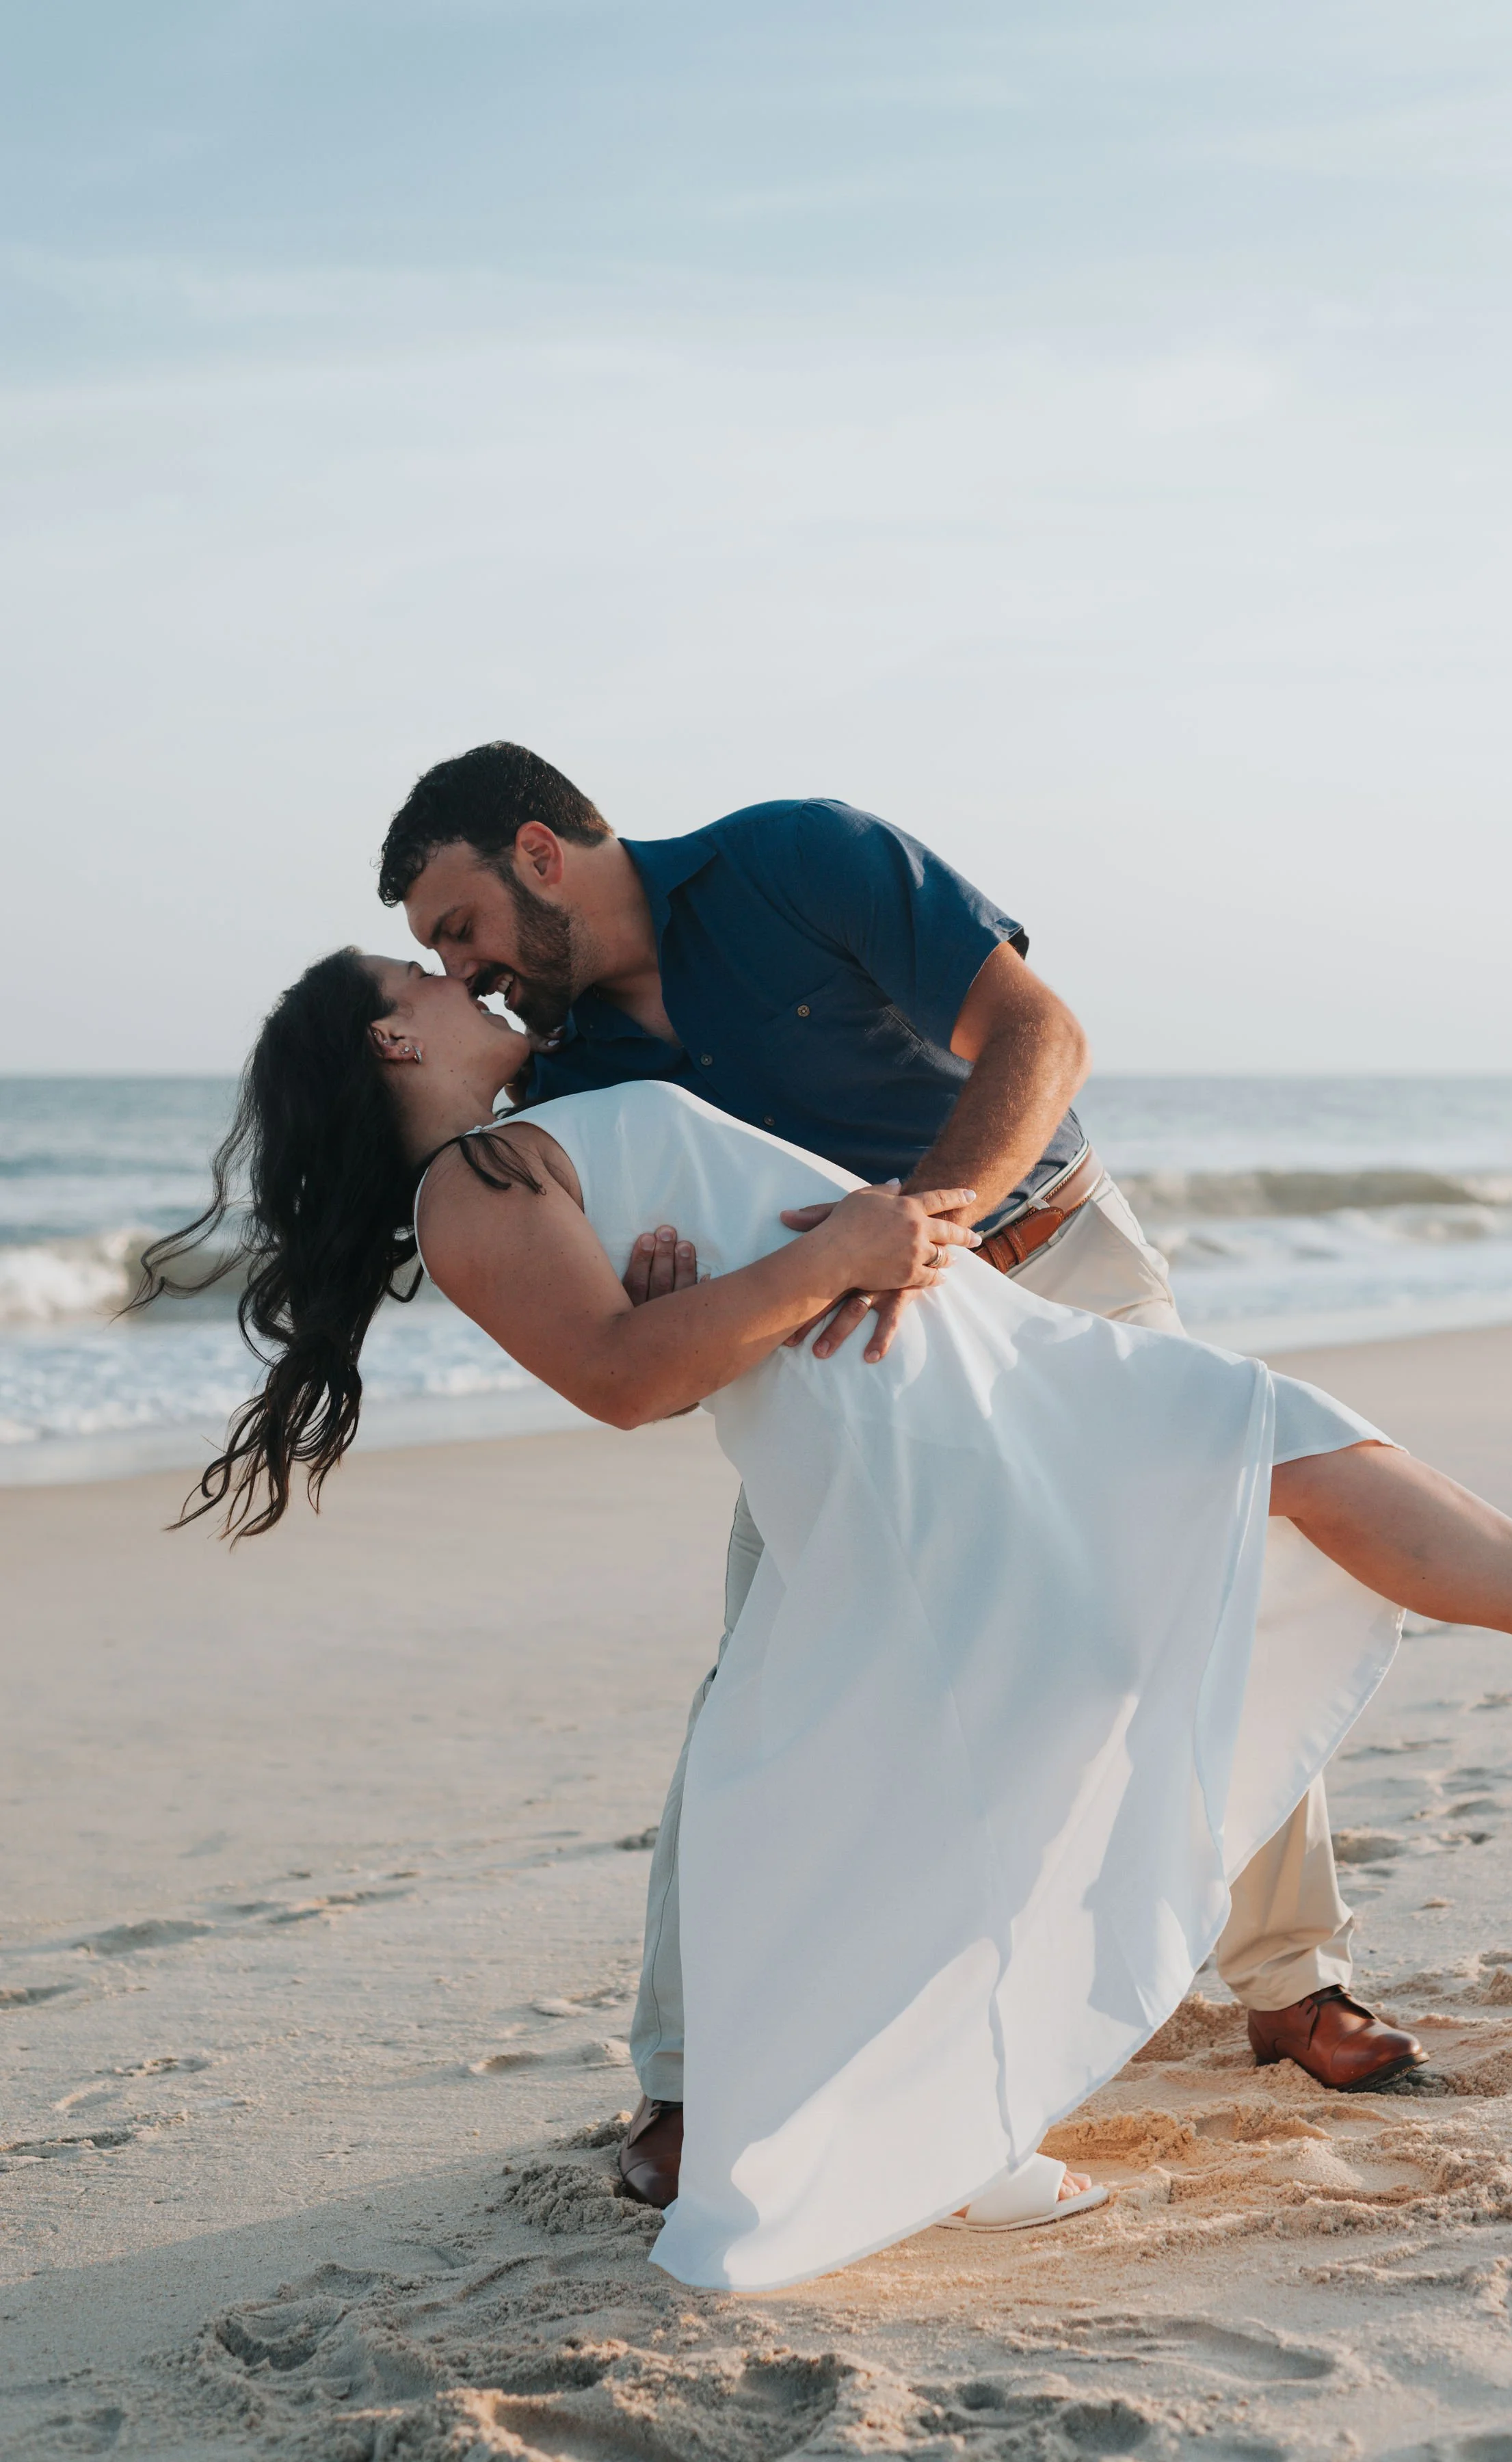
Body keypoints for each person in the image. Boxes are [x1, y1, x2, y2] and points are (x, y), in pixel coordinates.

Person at [140, 947, 1512, 2291]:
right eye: (424, 981)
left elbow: (660, 1329)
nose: (460, 979)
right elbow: (618, 1379)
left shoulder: (518, 1149)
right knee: (1200, 1523)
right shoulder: (466, 1187)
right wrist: (826, 1260)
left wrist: (728, 1281)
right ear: (393, 1044)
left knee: (1269, 1460)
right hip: (902, 1405)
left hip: (962, 1351)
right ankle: (954, 2118)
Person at [372, 745, 1424, 2219]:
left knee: (1198, 1591)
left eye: (459, 926)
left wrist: (928, 1220)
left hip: (1056, 1270)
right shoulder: (563, 1077)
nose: (465, 972)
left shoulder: (798, 858)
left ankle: (1292, 1986)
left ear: (538, 852)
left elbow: (1038, 1035)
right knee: (760, 1678)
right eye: (436, 960)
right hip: (847, 1368)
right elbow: (642, 1332)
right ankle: (686, 2076)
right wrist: (674, 1280)